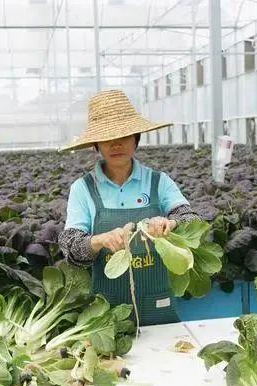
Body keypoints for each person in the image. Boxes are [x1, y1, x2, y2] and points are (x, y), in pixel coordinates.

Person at [58, 90, 200, 326]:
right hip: (106, 313)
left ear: (136, 138)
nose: (116, 144)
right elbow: (71, 247)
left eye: (124, 135)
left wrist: (171, 223)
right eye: (107, 138)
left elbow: (192, 220)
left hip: (159, 305)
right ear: (96, 145)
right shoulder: (83, 189)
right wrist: (99, 241)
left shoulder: (159, 181)